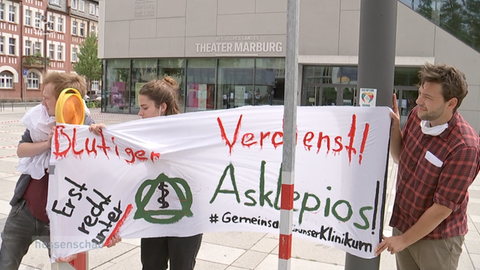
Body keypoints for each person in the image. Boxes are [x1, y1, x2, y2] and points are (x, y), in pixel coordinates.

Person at [0, 72, 119, 270]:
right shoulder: (38, 120)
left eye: (47, 98)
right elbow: (22, 150)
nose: (42, 101)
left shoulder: (86, 125)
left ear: (65, 100)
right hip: (25, 210)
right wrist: (47, 144)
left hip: (61, 218)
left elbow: (100, 168)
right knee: (6, 263)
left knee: (66, 267)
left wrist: (97, 138)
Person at [375, 63, 480, 270]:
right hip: (404, 224)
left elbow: (442, 208)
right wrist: (395, 128)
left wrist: (403, 240)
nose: (419, 101)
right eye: (420, 92)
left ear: (451, 103)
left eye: (428, 97)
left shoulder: (465, 146)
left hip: (437, 240)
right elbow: (399, 157)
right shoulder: (417, 115)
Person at [90, 76, 202, 270]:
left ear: (163, 107)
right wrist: (104, 135)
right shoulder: (140, 133)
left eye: (145, 107)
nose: (140, 113)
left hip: (186, 215)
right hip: (154, 214)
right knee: (151, 265)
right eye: (139, 107)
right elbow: (121, 152)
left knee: (182, 266)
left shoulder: (187, 133)